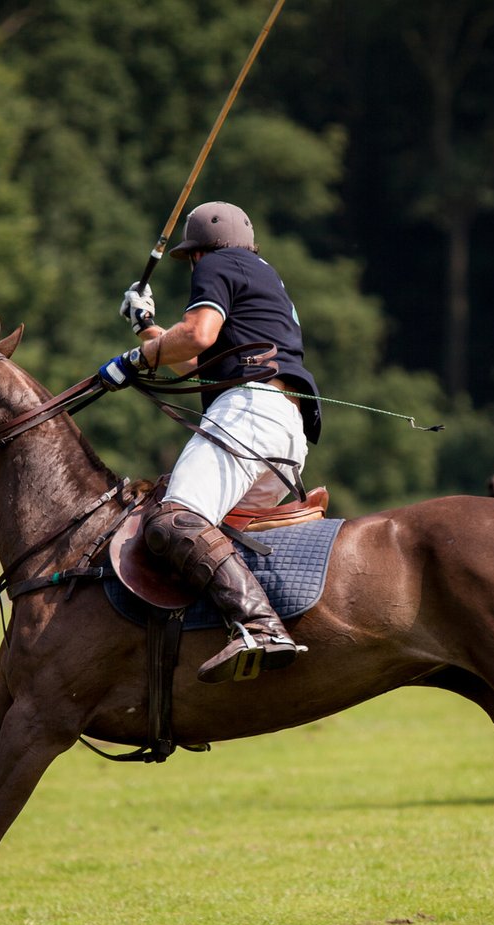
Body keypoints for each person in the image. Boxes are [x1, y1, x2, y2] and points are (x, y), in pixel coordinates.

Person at [96, 201, 323, 683]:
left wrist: (132, 359)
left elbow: (197, 334)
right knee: (206, 540)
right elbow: (195, 365)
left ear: (197, 254)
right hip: (285, 427)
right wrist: (145, 328)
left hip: (249, 414)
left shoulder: (217, 263)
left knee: (173, 520)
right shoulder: (261, 273)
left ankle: (261, 630)